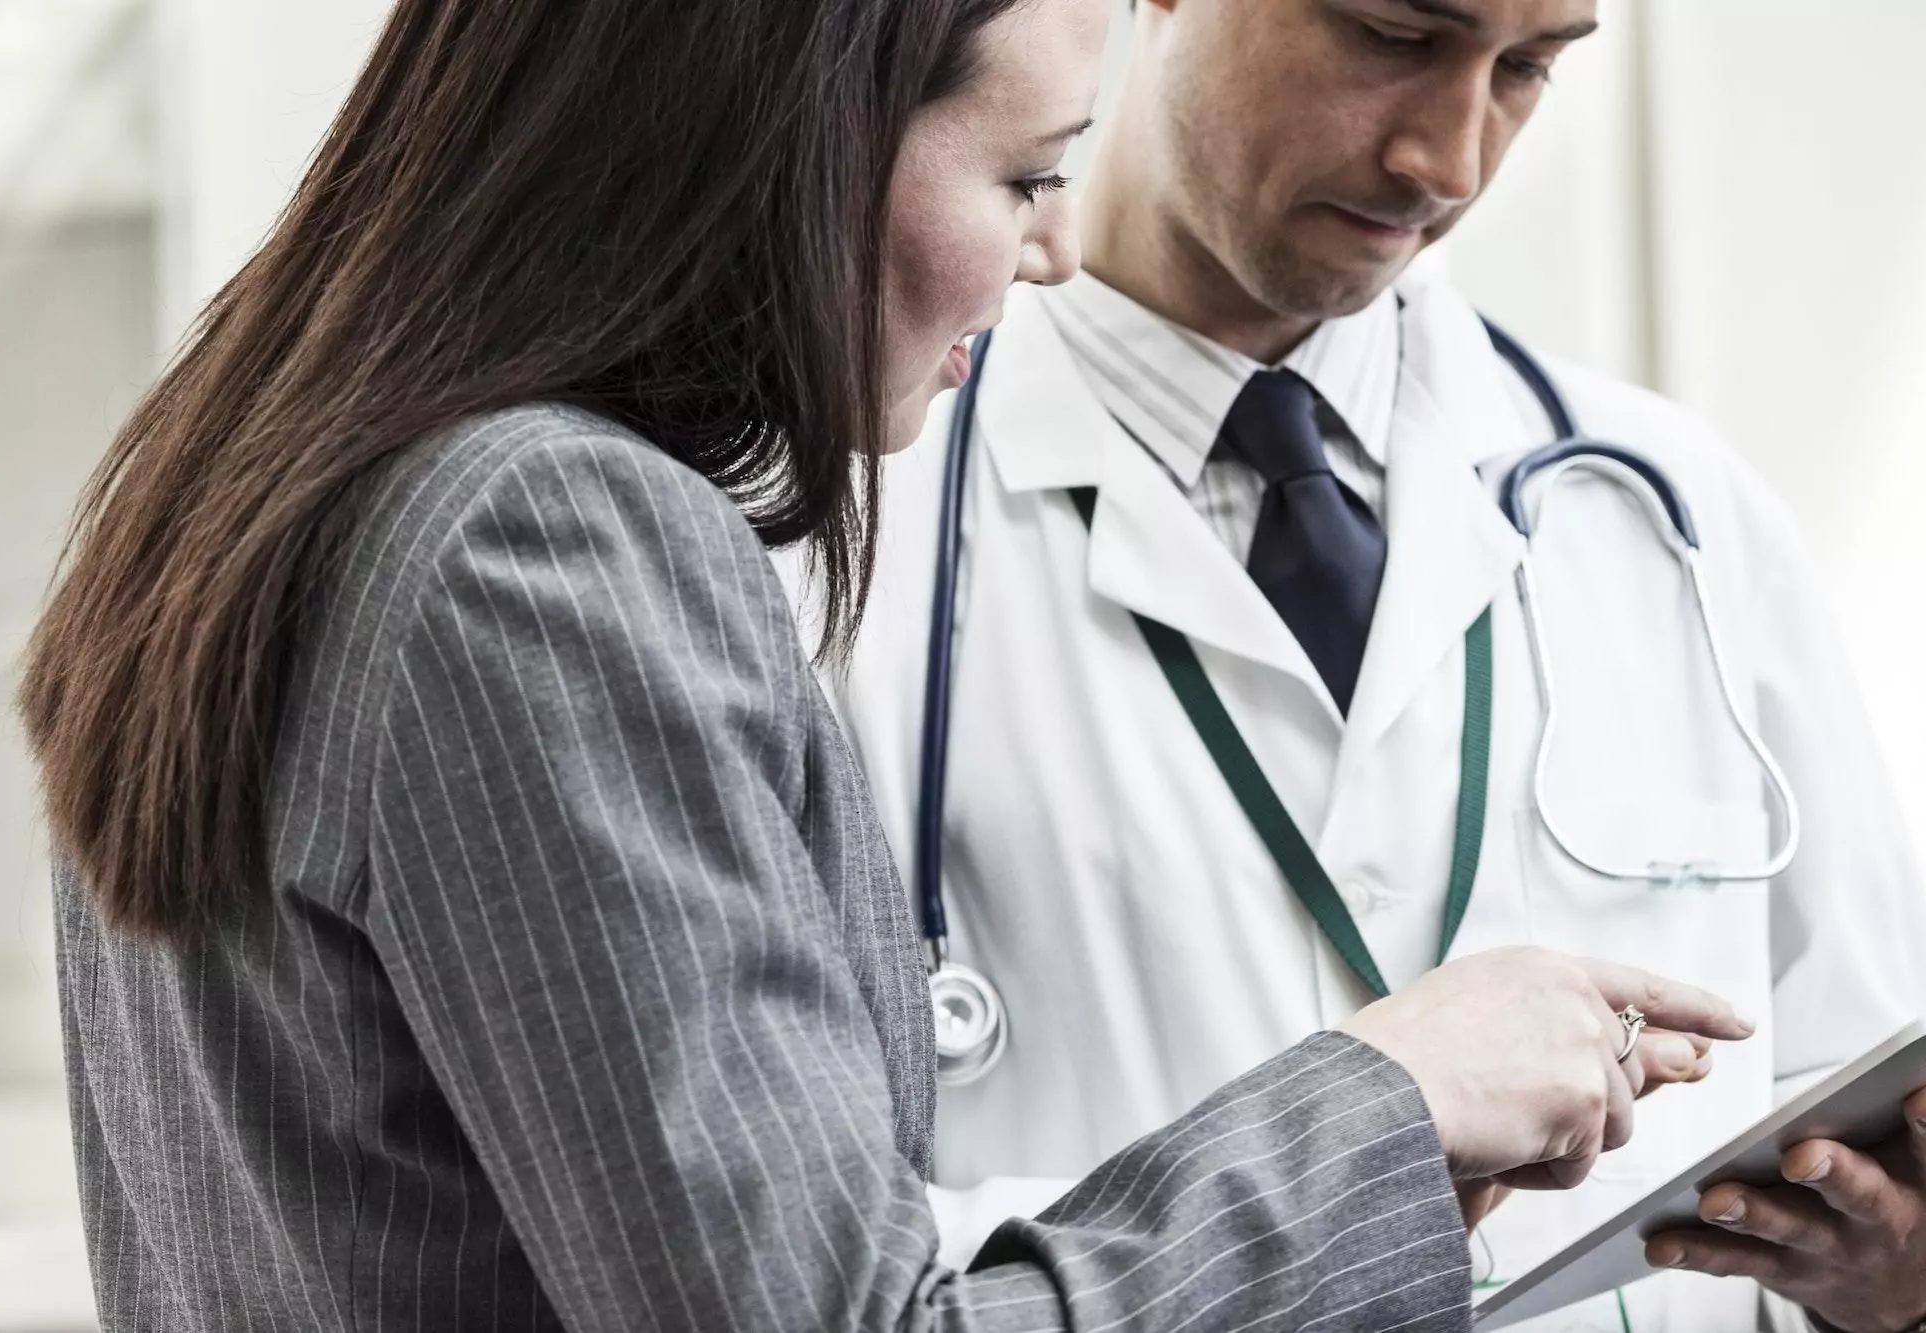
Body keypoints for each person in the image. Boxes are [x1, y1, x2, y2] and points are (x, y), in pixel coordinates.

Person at [18, 0, 1747, 1328]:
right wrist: (1388, 1100)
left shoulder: (273, 493)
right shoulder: (538, 537)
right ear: (791, 133)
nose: (1054, 249)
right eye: (1025, 175)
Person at [805, 0, 1926, 1329]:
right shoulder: (834, 538)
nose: (1448, 163)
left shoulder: (1680, 514)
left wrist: (1894, 1291)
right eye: (1394, 38)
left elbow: (1861, 1108)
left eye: (1526, 70)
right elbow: (784, 1259)